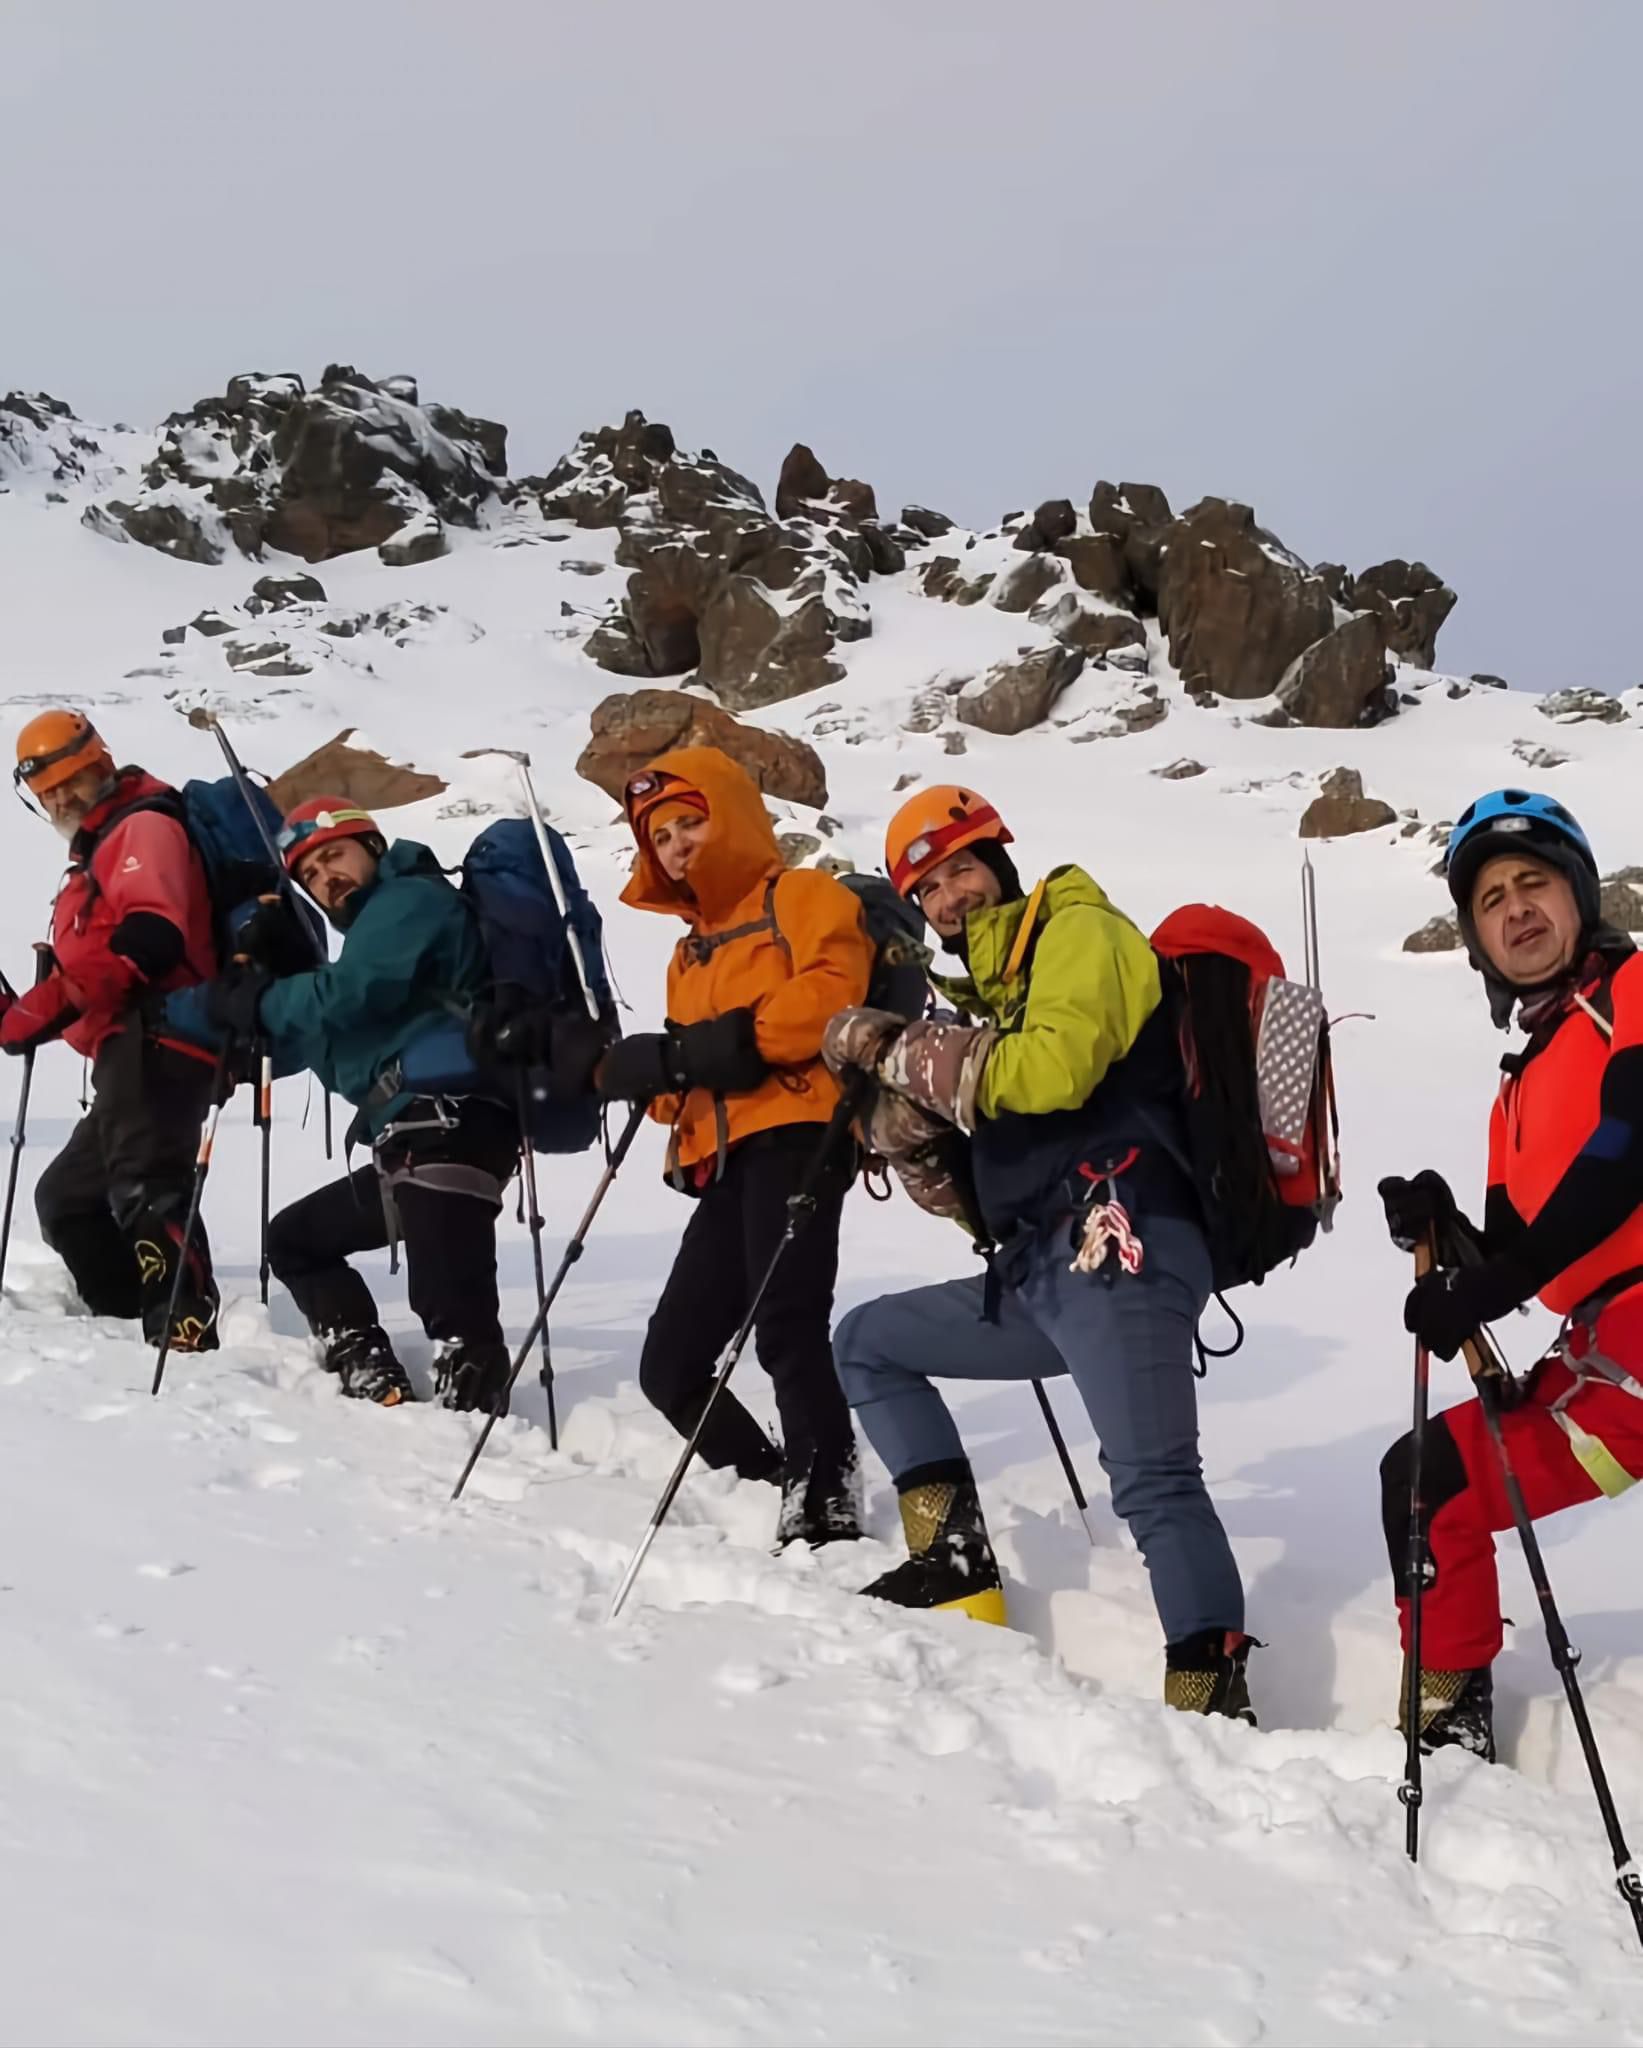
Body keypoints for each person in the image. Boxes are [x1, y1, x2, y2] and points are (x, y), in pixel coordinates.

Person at [826, 784, 1254, 1719]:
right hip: (1038, 1271)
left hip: (1122, 1243)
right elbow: (998, 1180)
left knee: (1151, 1481)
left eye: (962, 869)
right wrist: (919, 1141)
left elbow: (1053, 1073)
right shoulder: (989, 998)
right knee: (869, 1340)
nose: (951, 898)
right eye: (928, 889)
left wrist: (905, 1055)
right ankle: (951, 1561)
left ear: (1001, 862)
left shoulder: (1078, 928)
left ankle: (1210, 1689)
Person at [1379, 789, 1643, 1763]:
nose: (1513, 908)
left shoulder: (1632, 993)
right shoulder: (1518, 1081)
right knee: (1424, 1480)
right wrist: (1442, 1231)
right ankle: (1448, 1718)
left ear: (1577, 894)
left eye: (1532, 881)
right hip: (1603, 1356)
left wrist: (1498, 1276)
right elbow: (1517, 1257)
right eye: (1489, 899)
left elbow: (1626, 1146)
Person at [600, 746, 873, 1547]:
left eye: (691, 821)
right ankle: (767, 1479)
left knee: (787, 1322)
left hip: (798, 1132)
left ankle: (824, 1496)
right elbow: (688, 1079)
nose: (678, 844)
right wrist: (645, 1074)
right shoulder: (687, 952)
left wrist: (705, 1051)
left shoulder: (800, 894)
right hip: (722, 1160)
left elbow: (830, 993)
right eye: (661, 836)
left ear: (732, 816)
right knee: (669, 1367)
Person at [191, 796, 519, 1410]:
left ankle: (478, 1429)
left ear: (373, 847)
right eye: (309, 876)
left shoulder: (409, 902)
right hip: (416, 1139)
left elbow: (347, 995)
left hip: (450, 1125)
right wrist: (281, 985)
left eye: (333, 856)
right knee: (295, 1240)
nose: (325, 878)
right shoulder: (378, 934)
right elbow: (351, 1064)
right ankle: (363, 1357)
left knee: (454, 1308)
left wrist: (262, 1001)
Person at [0, 710, 220, 1350]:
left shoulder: (143, 826)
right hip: (126, 1045)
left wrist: (49, 1003)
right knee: (68, 1199)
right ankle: (125, 1330)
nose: (61, 798)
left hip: (160, 1037)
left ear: (100, 761)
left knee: (147, 1188)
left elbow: (151, 936)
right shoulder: (99, 845)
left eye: (71, 779)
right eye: (48, 792)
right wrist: (40, 1005)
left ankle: (183, 1337)